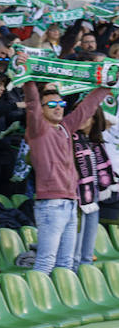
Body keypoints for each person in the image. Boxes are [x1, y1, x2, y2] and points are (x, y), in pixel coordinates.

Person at [24, 79, 107, 273]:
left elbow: (87, 107)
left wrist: (108, 84)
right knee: (46, 261)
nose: (58, 108)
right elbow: (32, 104)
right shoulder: (37, 130)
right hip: (50, 204)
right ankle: (39, 301)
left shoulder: (65, 128)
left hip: (71, 202)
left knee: (66, 263)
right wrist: (27, 81)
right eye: (51, 104)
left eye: (61, 104)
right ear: (42, 109)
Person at [71, 105, 112, 270]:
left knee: (87, 249)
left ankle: (84, 274)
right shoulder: (71, 139)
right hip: (77, 196)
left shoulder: (96, 142)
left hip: (93, 196)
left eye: (86, 115)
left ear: (95, 119)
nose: (81, 119)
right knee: (75, 247)